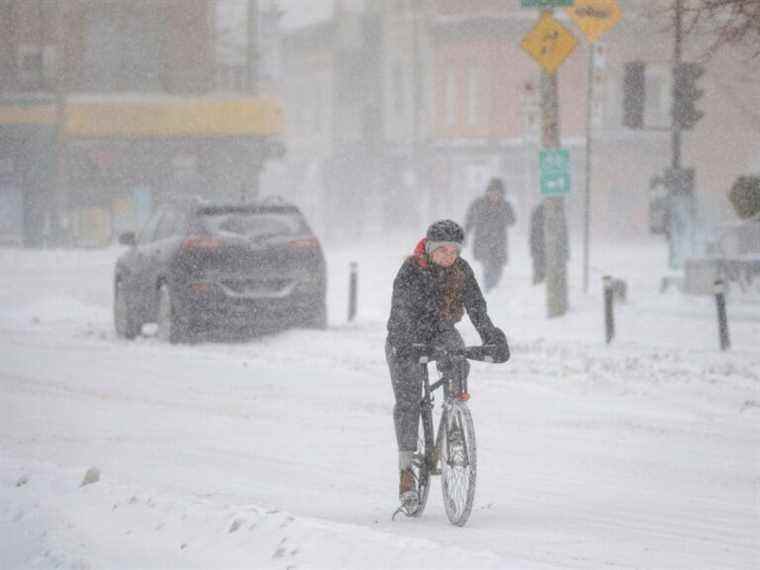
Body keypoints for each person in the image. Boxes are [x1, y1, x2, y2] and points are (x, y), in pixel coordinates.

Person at [385, 219, 509, 508]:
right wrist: (408, 346)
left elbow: (477, 308)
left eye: (454, 251)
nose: (449, 256)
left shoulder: (461, 270)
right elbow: (399, 313)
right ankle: (406, 472)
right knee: (409, 401)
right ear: (429, 249)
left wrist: (491, 336)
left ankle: (454, 417)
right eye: (443, 250)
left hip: (440, 329)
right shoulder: (411, 271)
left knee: (458, 358)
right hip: (405, 337)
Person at [464, 177, 516, 292]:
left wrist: (502, 209)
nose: (494, 196)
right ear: (487, 192)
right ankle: (489, 290)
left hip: (499, 243)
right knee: (487, 266)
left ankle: (492, 288)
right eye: (492, 193)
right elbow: (469, 220)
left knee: (498, 268)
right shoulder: (479, 204)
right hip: (482, 242)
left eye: (497, 193)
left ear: (502, 195)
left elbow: (512, 221)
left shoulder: (505, 206)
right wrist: (465, 235)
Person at [529, 202, 545, 285]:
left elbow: (532, 236)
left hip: (539, 249)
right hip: (539, 249)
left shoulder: (536, 214)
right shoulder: (538, 213)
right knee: (540, 271)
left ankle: (538, 285)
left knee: (539, 271)